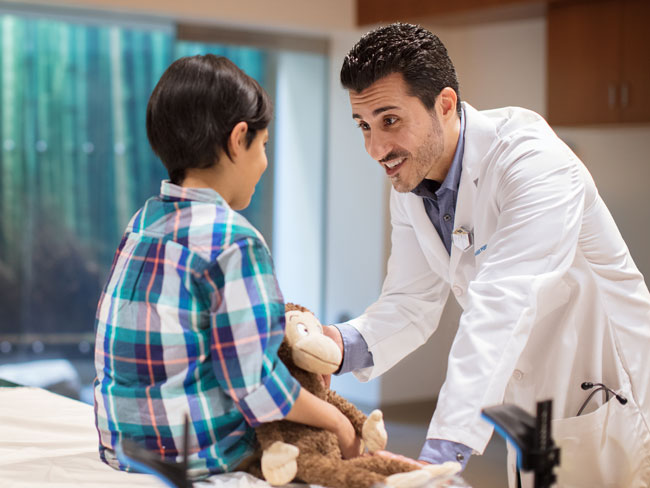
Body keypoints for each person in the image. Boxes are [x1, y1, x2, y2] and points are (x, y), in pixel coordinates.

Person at [325, 22, 650, 487]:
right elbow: (410, 302)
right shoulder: (413, 182)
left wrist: (443, 450)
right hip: (529, 405)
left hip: (608, 392)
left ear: (445, 104)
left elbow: (502, 303)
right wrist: (337, 346)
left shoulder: (535, 164)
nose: (376, 149)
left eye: (390, 120)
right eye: (364, 126)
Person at [93, 54, 361, 479]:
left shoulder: (142, 223)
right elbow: (254, 385)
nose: (265, 162)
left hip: (120, 445)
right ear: (239, 139)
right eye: (264, 145)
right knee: (336, 441)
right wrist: (338, 422)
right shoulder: (234, 239)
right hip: (198, 454)